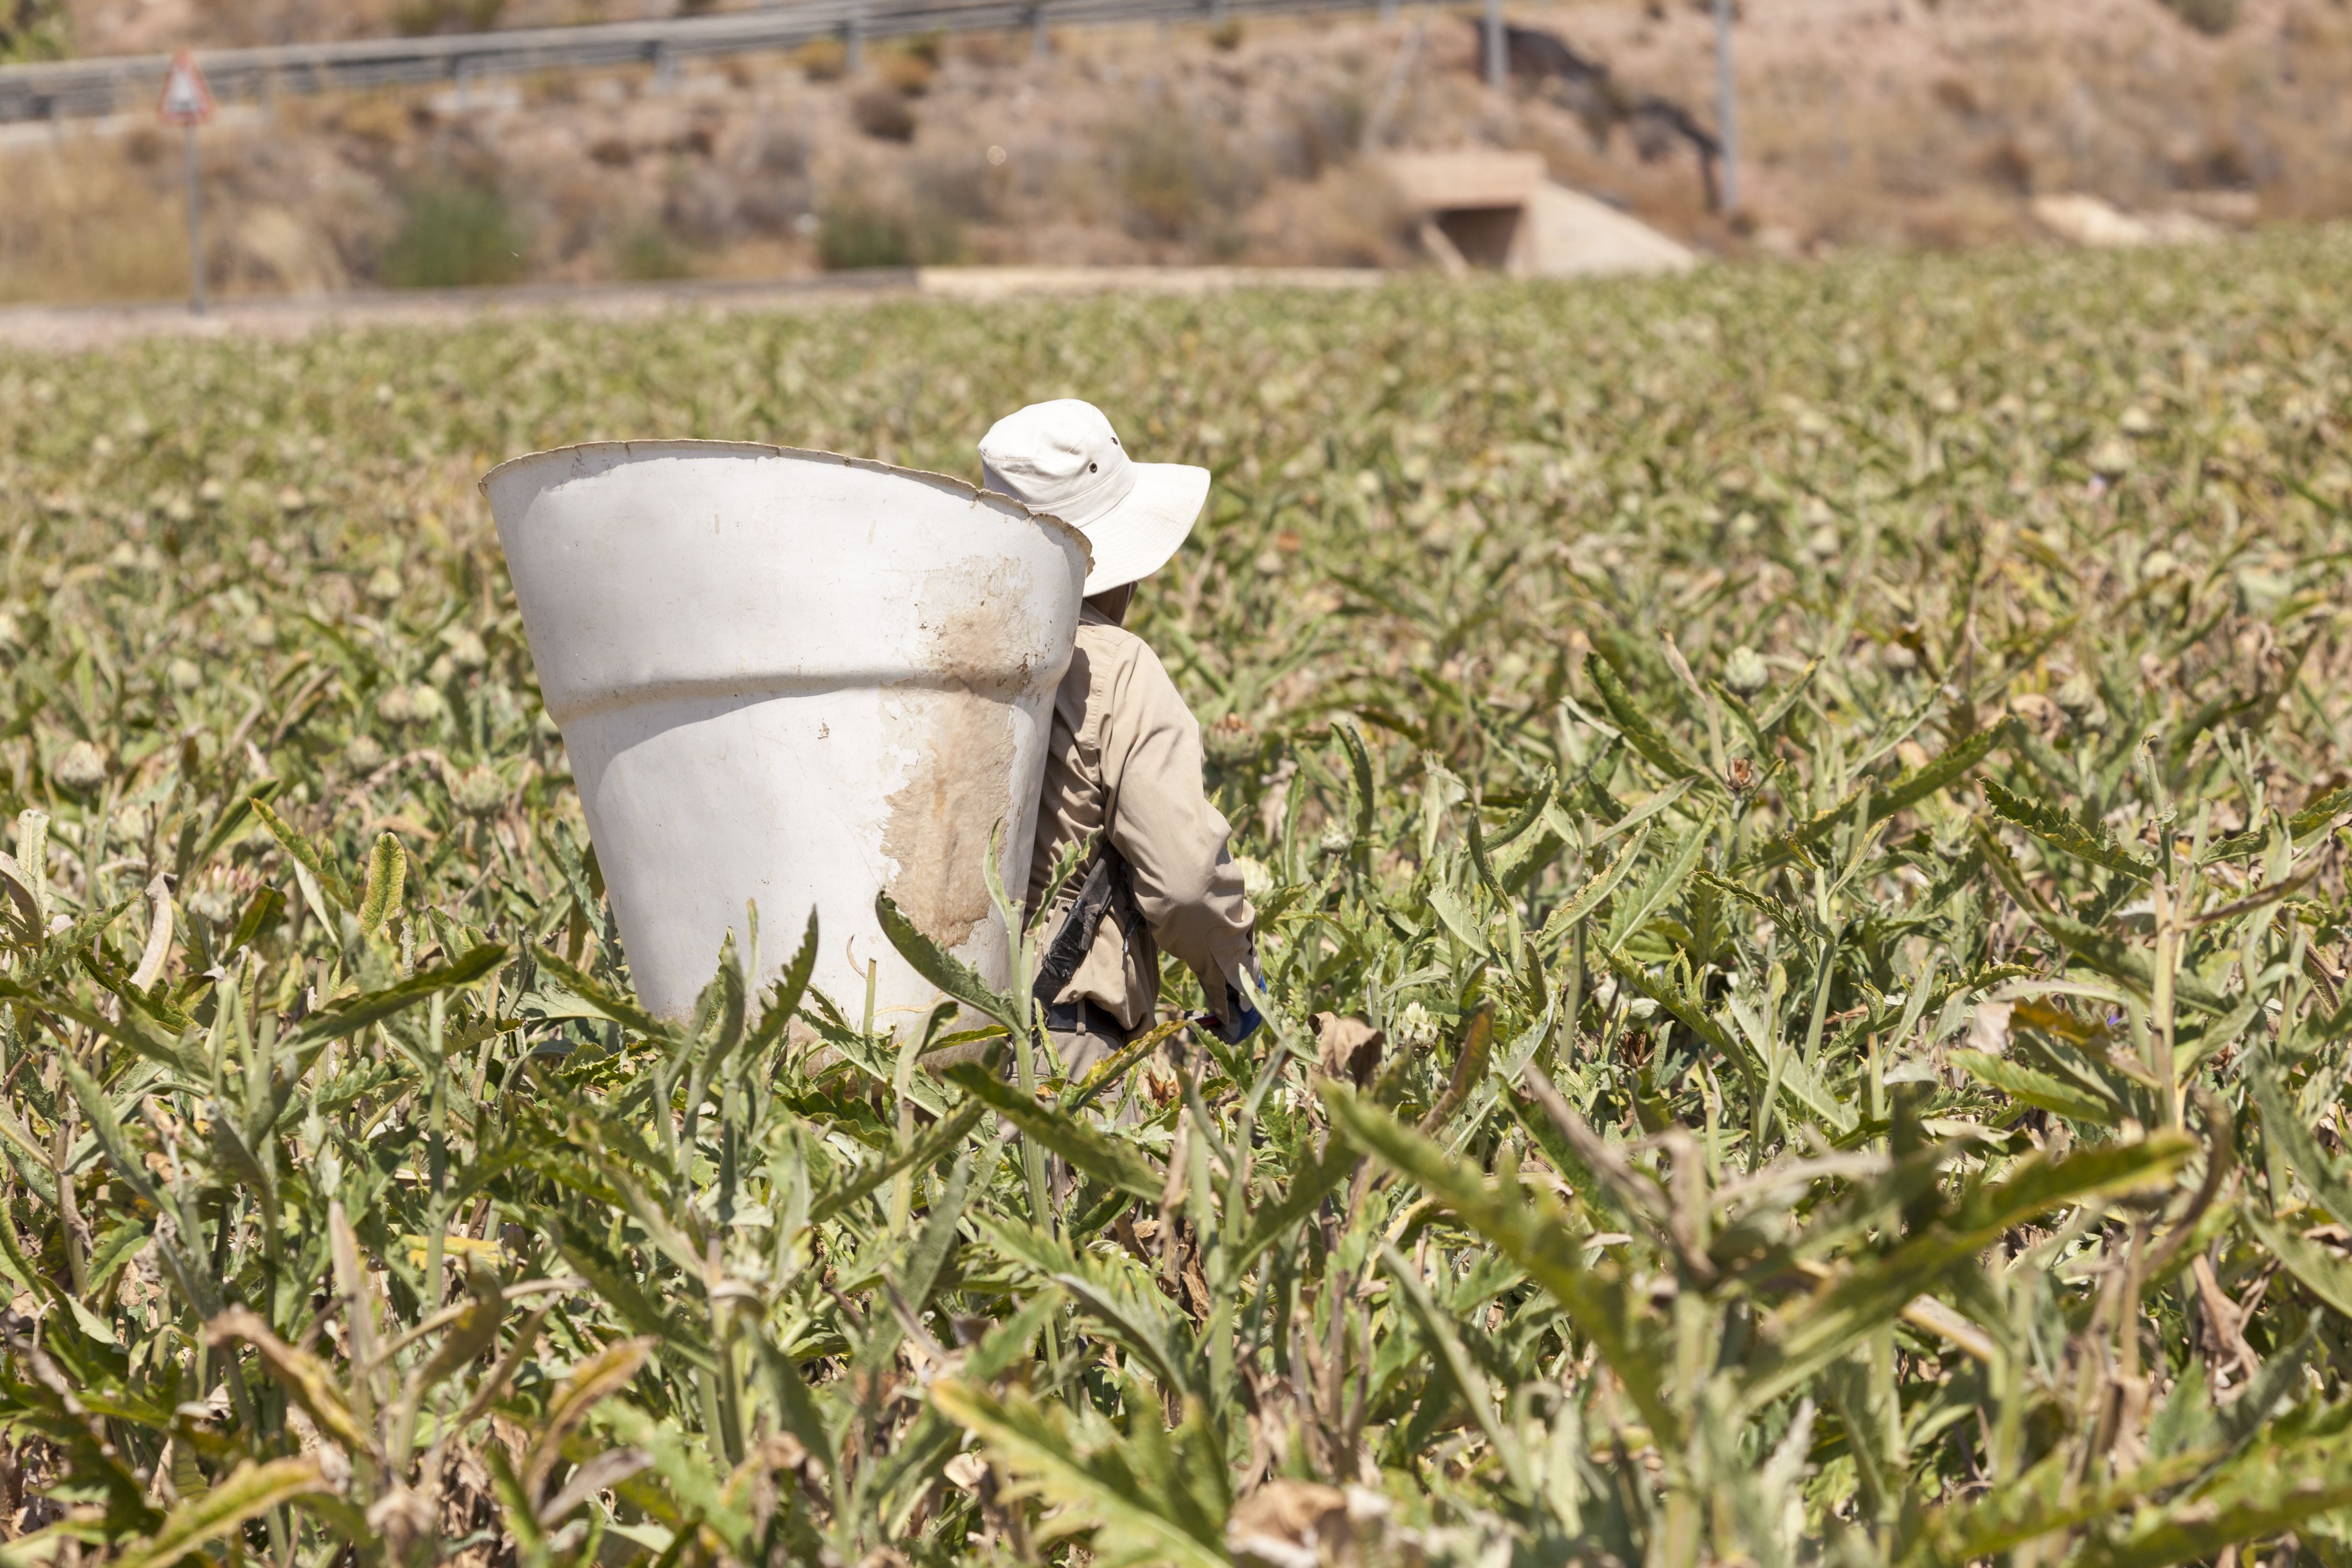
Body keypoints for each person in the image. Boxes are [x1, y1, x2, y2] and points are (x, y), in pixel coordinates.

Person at [976, 399, 1261, 1083]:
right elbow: (1187, 883)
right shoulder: (1116, 667)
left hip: (916, 1037)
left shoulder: (924, 651)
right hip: (1058, 1045)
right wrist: (1236, 988)